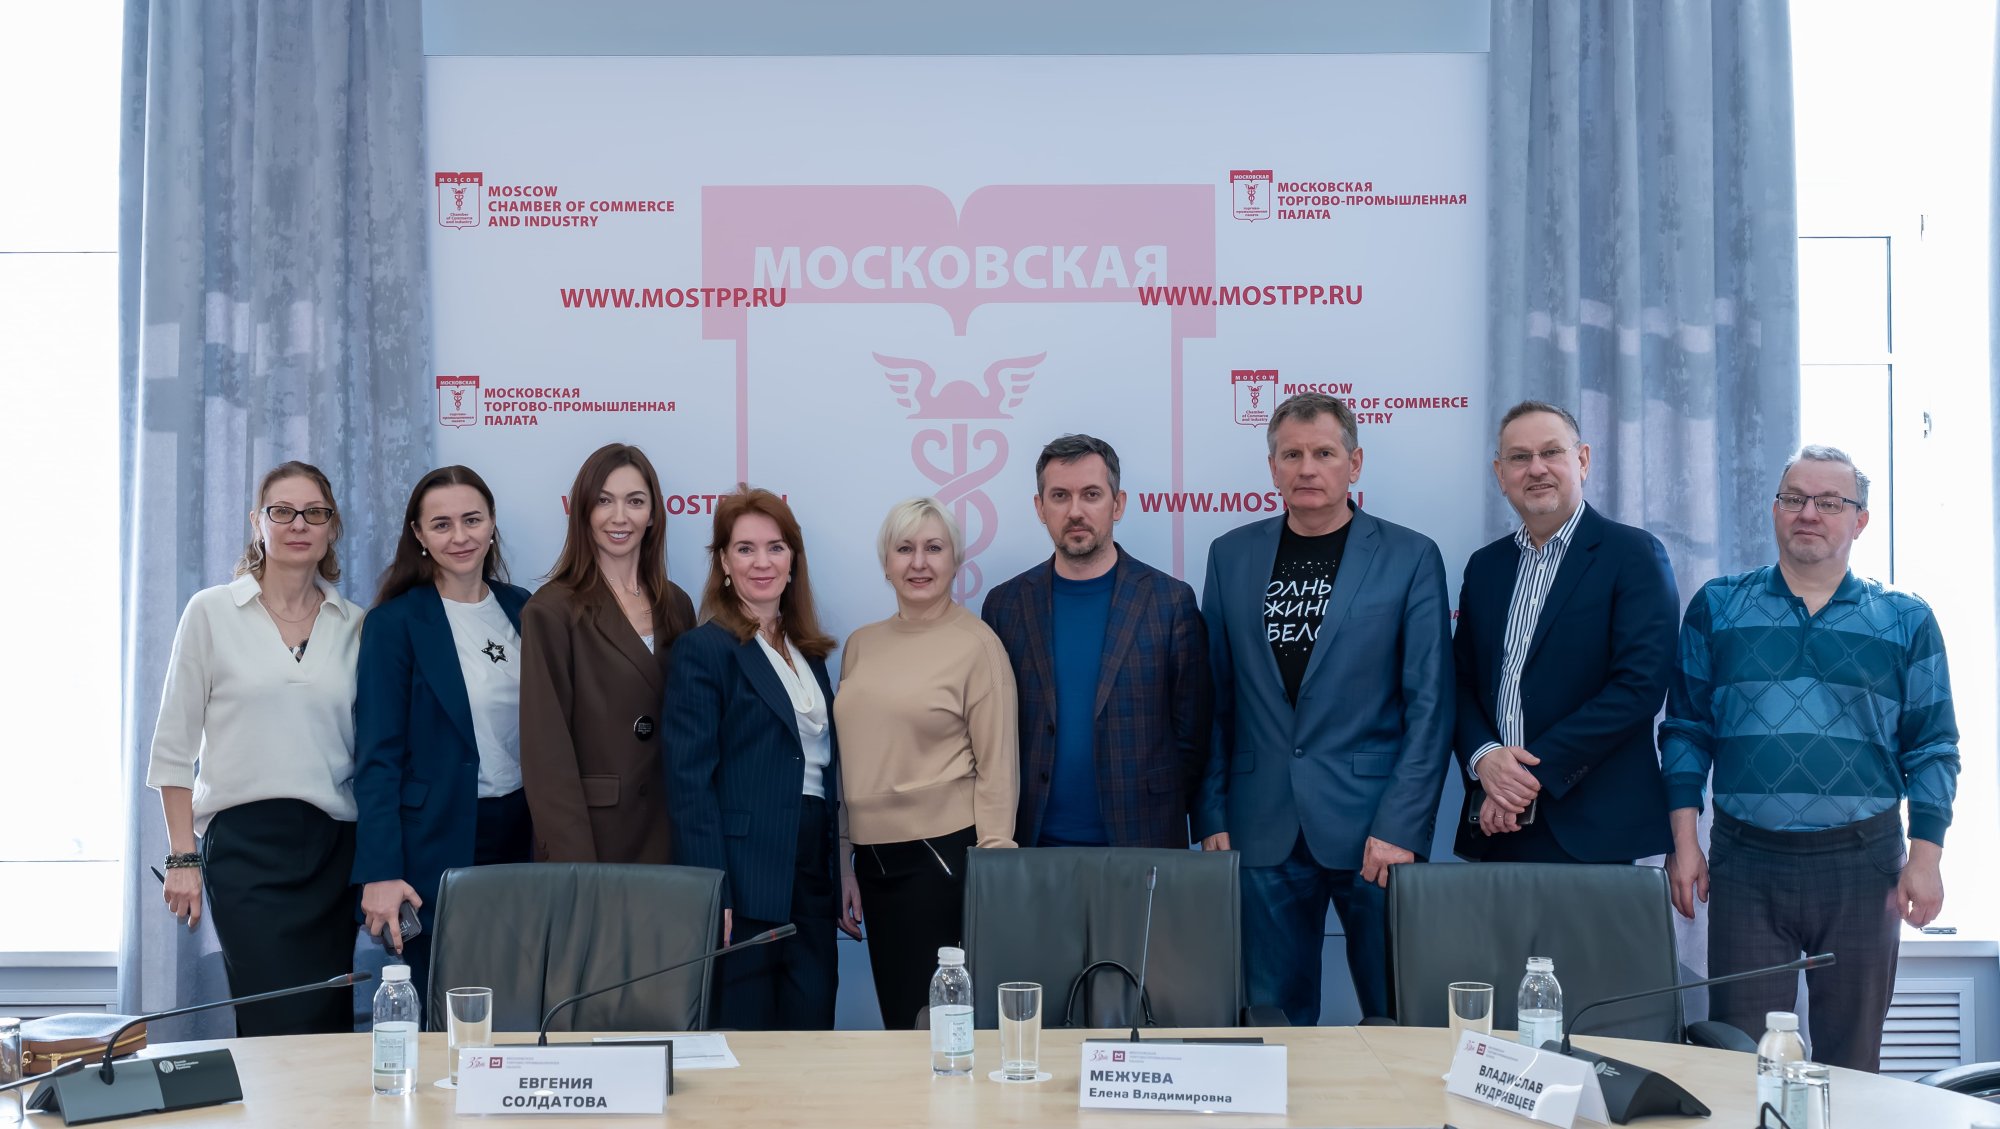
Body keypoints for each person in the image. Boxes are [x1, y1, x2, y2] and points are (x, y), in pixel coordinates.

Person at [1660, 445, 1958, 1072]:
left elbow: (1933, 747)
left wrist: (1926, 858)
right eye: (1794, 498)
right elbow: (1685, 730)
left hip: (1864, 864)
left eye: (1829, 502)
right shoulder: (1718, 606)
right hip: (1745, 861)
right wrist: (1685, 843)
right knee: (1740, 1060)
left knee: (1853, 1065)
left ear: (1860, 520)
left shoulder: (1905, 620)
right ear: (1775, 510)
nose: (1808, 513)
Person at [1195, 393, 1452, 1025]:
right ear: (1272, 467)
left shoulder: (1410, 556)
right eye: (1292, 455)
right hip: (1260, 828)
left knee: (1397, 1021)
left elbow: (1430, 706)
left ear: (1354, 463)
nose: (1307, 468)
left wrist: (1402, 826)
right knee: (1271, 1025)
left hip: (1376, 832)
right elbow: (1213, 698)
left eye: (1324, 453)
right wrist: (1211, 811)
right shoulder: (1230, 555)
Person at [146, 461, 364, 1035]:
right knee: (273, 1020)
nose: (299, 524)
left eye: (314, 512)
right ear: (256, 523)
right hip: (246, 852)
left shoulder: (357, 625)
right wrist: (183, 856)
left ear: (332, 527)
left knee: (328, 1023)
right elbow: (173, 746)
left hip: (334, 853)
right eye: (282, 511)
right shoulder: (212, 611)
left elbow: (374, 751)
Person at [1450, 402, 1678, 863]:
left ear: (1583, 460)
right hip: (1497, 822)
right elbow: (1459, 683)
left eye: (1551, 452)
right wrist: (1485, 756)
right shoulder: (1485, 567)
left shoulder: (1633, 554)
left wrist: (1526, 777)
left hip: (1594, 827)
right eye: (1519, 457)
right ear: (1500, 473)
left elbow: (1639, 688)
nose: (1536, 468)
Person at [665, 488, 849, 1030]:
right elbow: (689, 782)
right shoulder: (705, 649)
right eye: (745, 549)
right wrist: (713, 889)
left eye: (775, 547)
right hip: (745, 880)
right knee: (747, 1037)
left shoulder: (809, 652)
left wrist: (840, 869)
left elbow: (823, 769)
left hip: (811, 871)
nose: (761, 562)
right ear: (724, 562)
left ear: (793, 560)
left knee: (813, 1026)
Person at [834, 497, 1019, 1029]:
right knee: (899, 1023)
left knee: (934, 1028)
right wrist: (844, 860)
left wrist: (993, 876)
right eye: (905, 548)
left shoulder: (978, 646)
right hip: (872, 865)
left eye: (934, 548)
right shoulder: (860, 644)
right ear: (886, 562)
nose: (919, 562)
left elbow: (999, 768)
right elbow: (849, 761)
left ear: (955, 560)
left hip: (942, 861)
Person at [350, 466, 534, 997]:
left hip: (520, 837)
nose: (460, 537)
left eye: (472, 520)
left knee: (517, 1000)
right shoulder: (394, 623)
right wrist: (380, 871)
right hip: (434, 847)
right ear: (418, 534)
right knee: (447, 1005)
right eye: (442, 524)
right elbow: (377, 758)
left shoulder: (524, 608)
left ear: (492, 524)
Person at [981, 434, 1210, 848]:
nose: (1075, 511)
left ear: (1117, 504)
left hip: (1143, 841)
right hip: (1031, 845)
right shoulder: (1006, 605)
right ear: (1040, 508)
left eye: (1091, 494)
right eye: (1059, 496)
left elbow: (1193, 733)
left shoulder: (1169, 601)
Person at [520, 443, 696, 863]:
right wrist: (574, 865)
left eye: (634, 501)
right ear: (583, 512)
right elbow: (546, 754)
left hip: (671, 831)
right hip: (594, 839)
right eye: (604, 501)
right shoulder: (551, 609)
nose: (620, 517)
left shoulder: (677, 605)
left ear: (652, 514)